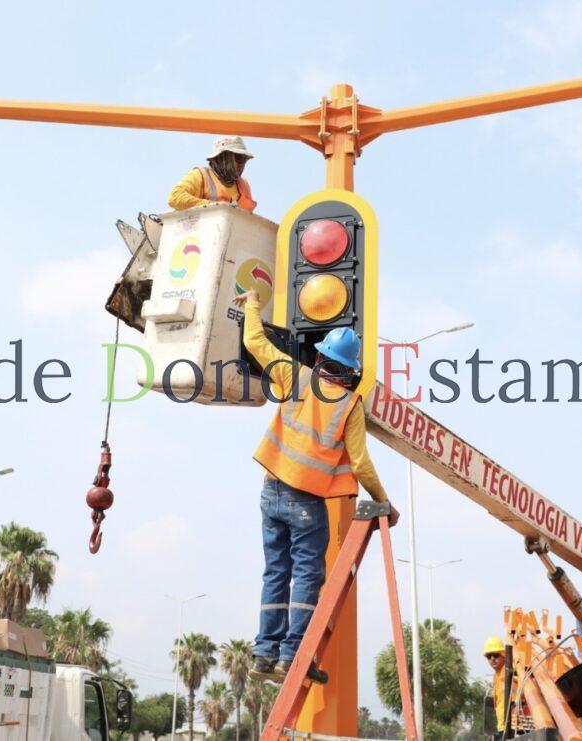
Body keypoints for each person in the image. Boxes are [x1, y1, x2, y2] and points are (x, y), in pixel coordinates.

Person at [233, 289, 398, 685]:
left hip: (270, 491)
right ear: (350, 369)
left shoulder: (297, 375)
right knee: (307, 575)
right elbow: (360, 462)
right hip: (306, 500)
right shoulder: (350, 405)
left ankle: (263, 654)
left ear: (321, 357)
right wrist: (384, 501)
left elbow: (255, 341)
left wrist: (253, 303)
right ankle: (294, 657)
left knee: (276, 572)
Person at [168, 136, 257, 212]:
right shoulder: (200, 175)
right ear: (221, 158)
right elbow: (175, 197)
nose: (241, 164)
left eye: (244, 160)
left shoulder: (244, 185)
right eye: (238, 158)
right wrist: (214, 207)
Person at [483, 637, 516, 738]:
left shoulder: (511, 669)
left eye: (496, 655)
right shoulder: (496, 676)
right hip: (501, 726)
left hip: (513, 726)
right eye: (489, 656)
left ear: (503, 654)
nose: (492, 659)